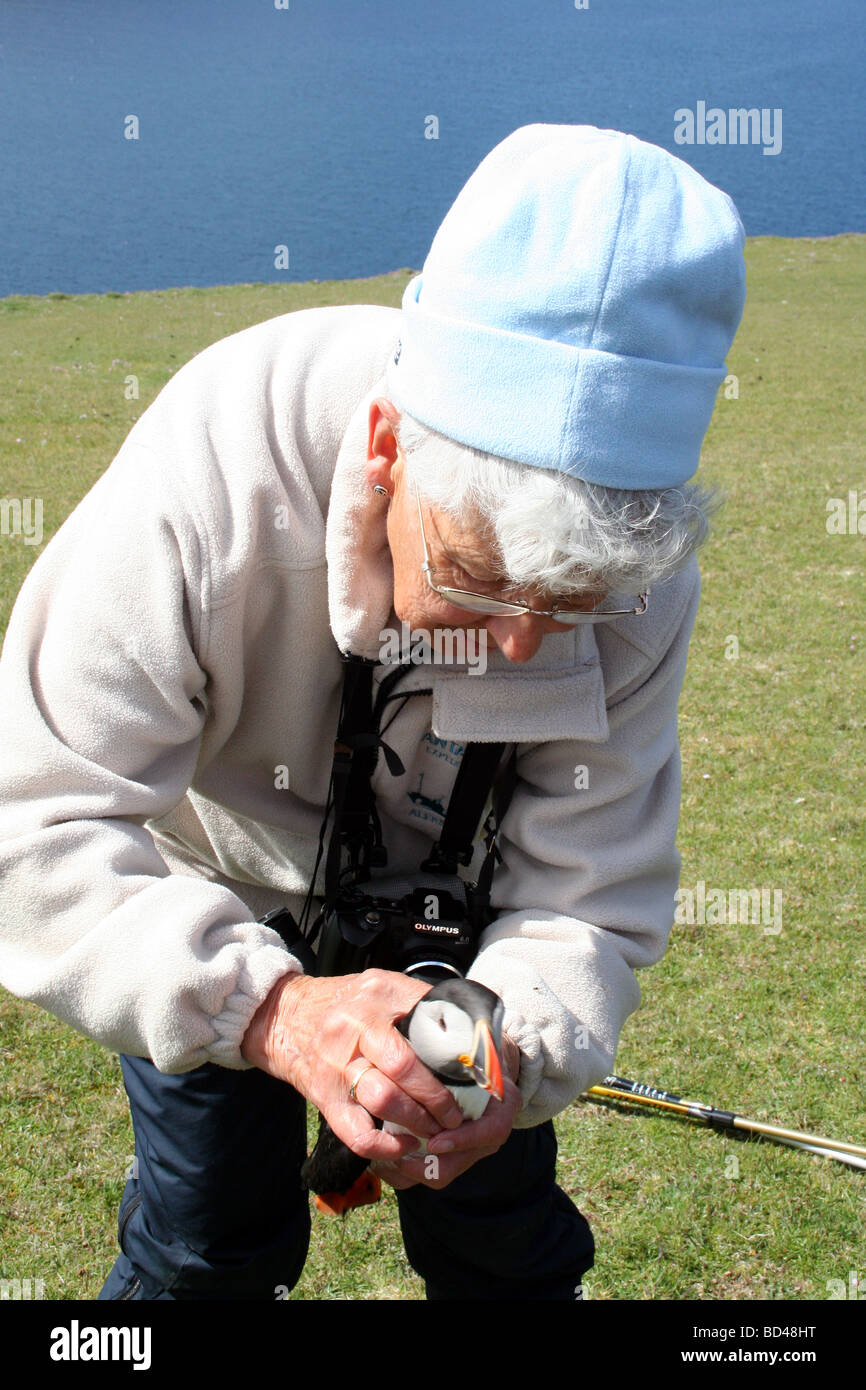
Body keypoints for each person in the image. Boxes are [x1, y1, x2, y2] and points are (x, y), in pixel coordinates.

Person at [0, 123, 746, 1300]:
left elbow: (585, 898)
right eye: (478, 575)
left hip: (468, 942)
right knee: (206, 1242)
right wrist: (268, 1010)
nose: (518, 646)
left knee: (501, 1241)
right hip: (206, 903)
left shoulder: (637, 567)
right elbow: (32, 821)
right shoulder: (217, 465)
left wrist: (514, 1045)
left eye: (573, 603)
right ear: (390, 449)